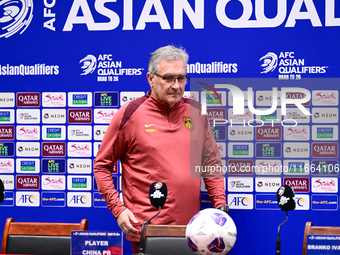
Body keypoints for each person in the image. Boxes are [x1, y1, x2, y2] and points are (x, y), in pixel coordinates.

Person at [93, 45, 227, 254]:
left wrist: (220, 208)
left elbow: (210, 164)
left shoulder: (196, 112)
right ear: (150, 78)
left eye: (181, 78)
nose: (176, 85)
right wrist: (118, 209)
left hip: (194, 230)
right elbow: (102, 166)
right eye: (168, 78)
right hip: (146, 230)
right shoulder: (130, 114)